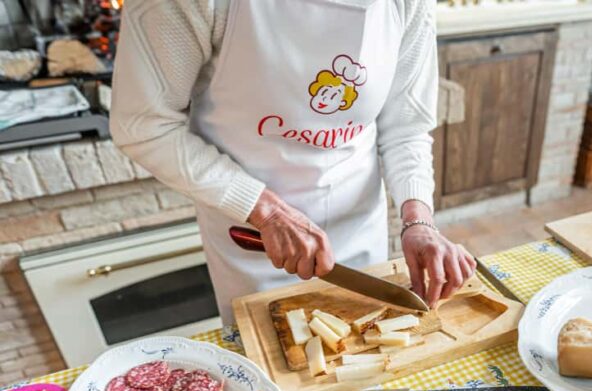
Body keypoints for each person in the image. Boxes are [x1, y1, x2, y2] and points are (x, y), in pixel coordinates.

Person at [110, 0, 475, 324]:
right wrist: (266, 211)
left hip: (360, 228)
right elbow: (142, 124)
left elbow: (406, 126)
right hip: (252, 238)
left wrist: (419, 221)